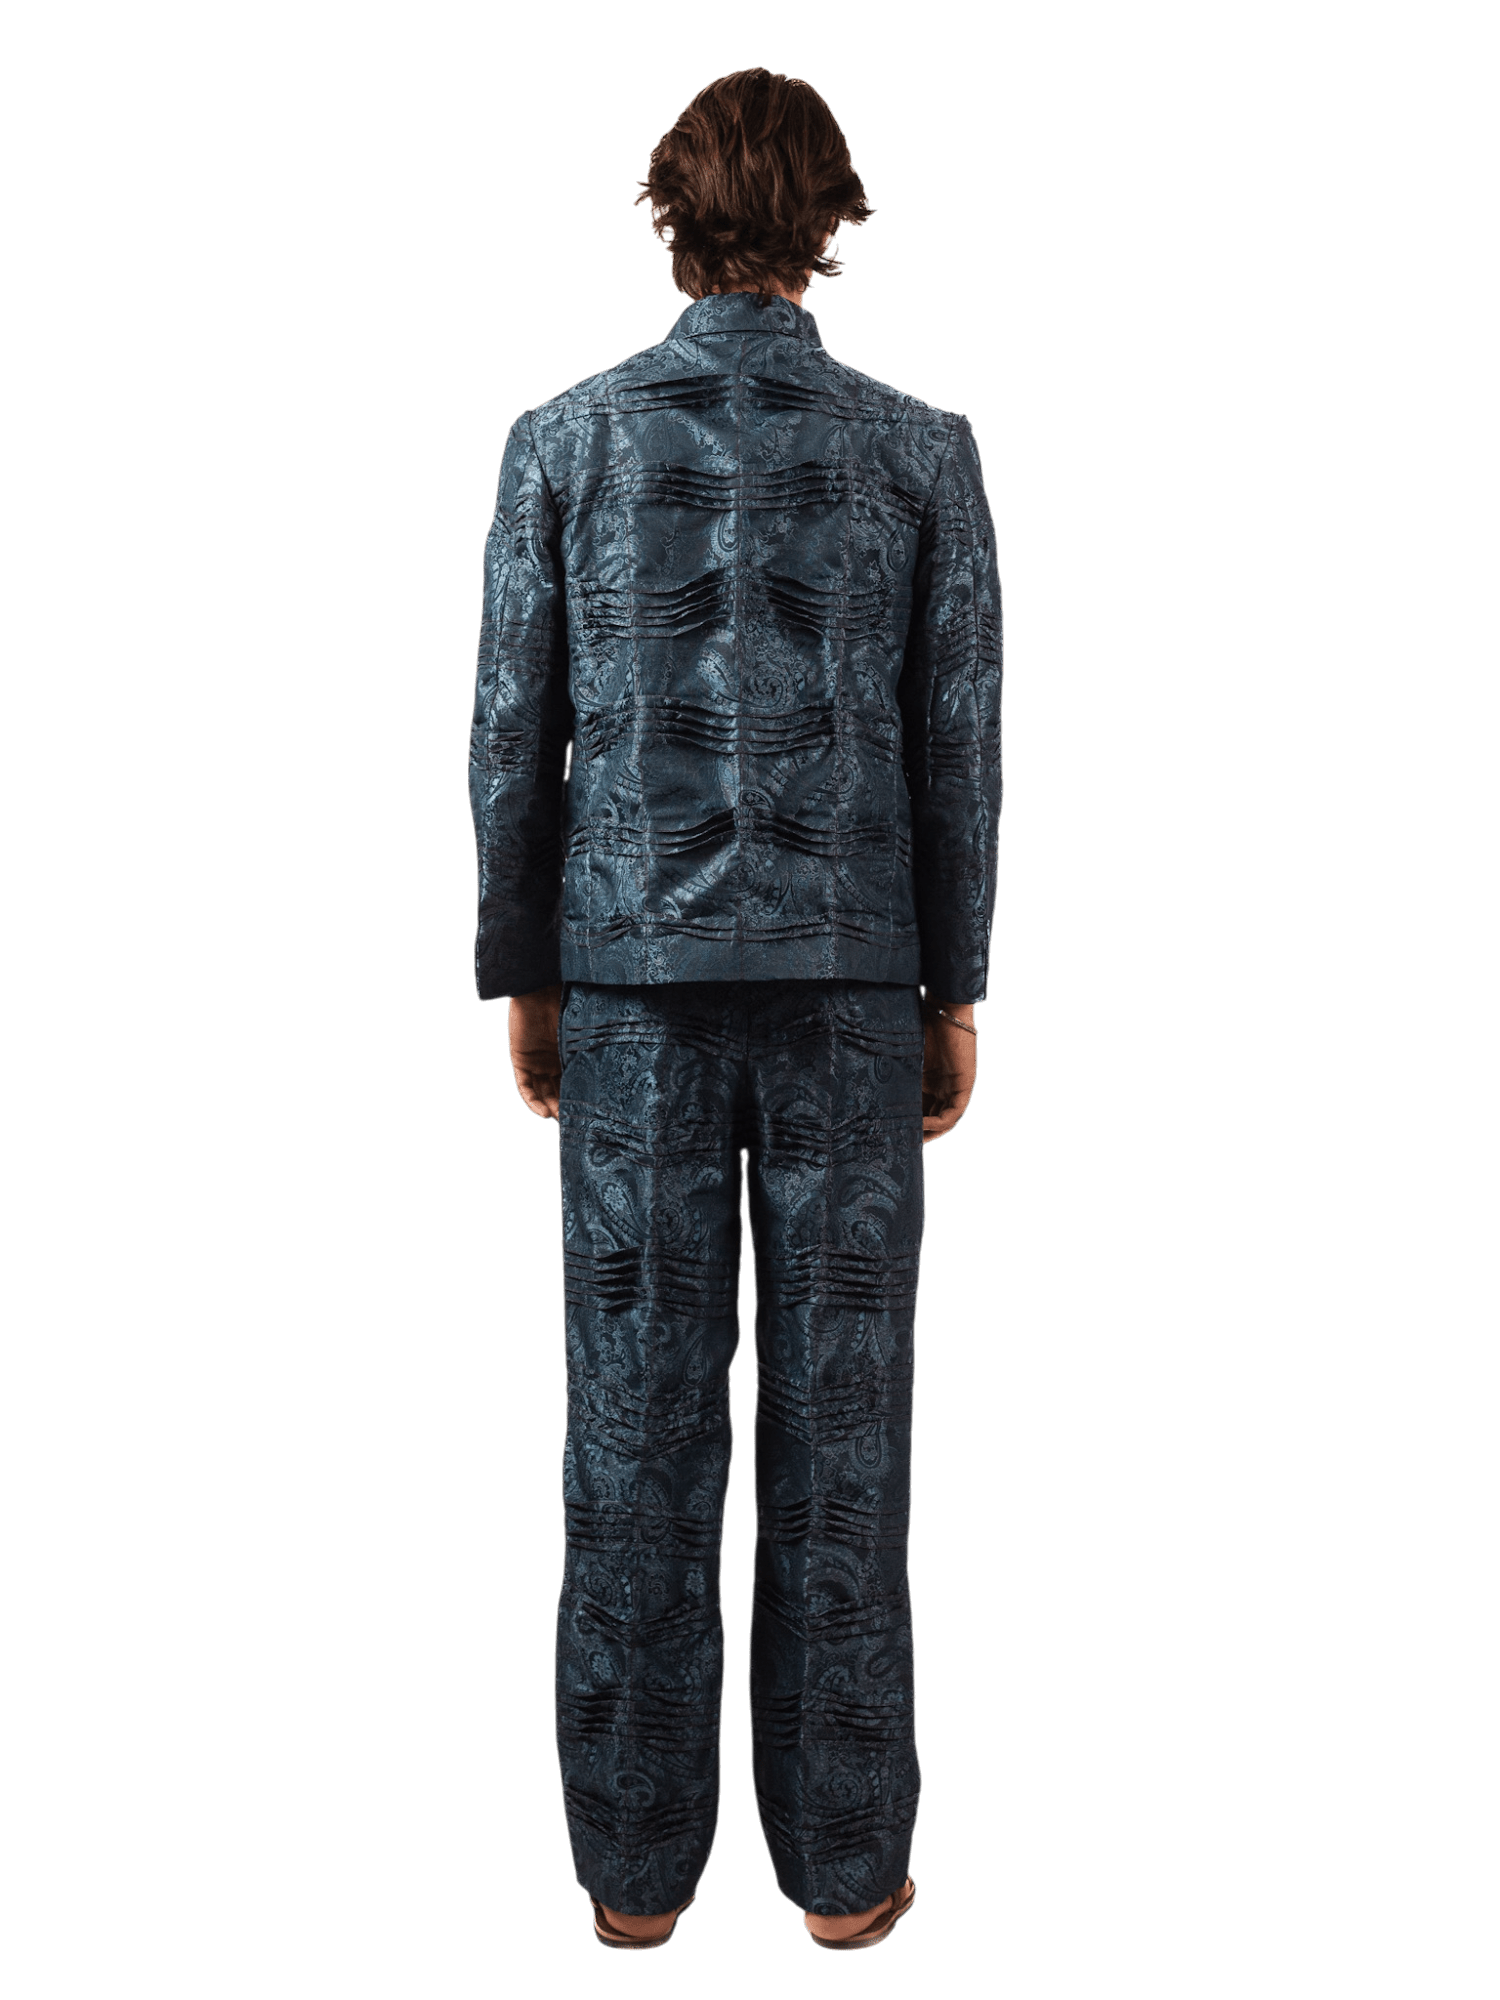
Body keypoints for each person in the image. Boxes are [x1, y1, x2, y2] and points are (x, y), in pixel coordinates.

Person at [469, 67, 1003, 1953]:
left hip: (629, 991)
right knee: (844, 1445)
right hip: (854, 993)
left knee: (632, 1432)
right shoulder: (923, 450)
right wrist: (955, 991)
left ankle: (632, 1878)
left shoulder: (560, 440)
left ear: (669, 216)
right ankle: (846, 1878)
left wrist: (525, 972)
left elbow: (511, 732)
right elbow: (959, 744)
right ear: (835, 221)